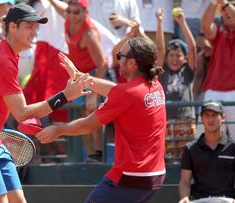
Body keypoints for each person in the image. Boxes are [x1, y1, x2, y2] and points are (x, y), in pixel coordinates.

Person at [0, 4, 92, 203]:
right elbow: (22, 113)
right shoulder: (2, 61)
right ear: (13, 27)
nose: (34, 32)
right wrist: (65, 95)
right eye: (29, 27)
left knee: (18, 200)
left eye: (36, 27)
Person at [36, 37, 166, 203]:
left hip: (131, 176)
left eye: (120, 55)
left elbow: (88, 125)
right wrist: (79, 76)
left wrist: (58, 129)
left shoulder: (126, 93)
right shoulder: (154, 84)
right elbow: (115, 90)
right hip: (155, 175)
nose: (117, 59)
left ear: (132, 63)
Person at [48, 0, 109, 162]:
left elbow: (102, 64)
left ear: (85, 12)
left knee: (92, 112)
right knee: (80, 114)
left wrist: (94, 94)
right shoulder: (69, 17)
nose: (72, 15)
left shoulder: (89, 34)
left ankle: (99, 154)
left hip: (95, 74)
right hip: (80, 75)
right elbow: (58, 6)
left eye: (76, 13)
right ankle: (90, 155)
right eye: (69, 11)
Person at [156, 7, 197, 161]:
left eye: (178, 55)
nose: (174, 59)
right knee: (166, 160)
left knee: (187, 160)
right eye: (171, 55)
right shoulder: (162, 71)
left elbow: (192, 48)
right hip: (165, 120)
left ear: (185, 58)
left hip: (185, 120)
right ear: (166, 58)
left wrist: (182, 22)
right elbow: (159, 49)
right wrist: (159, 22)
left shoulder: (188, 71)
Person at [178, 101, 235, 203]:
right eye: (207, 115)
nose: (210, 119)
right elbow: (185, 182)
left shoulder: (233, 147)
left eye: (214, 115)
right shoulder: (190, 148)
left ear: (223, 118)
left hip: (228, 200)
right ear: (201, 118)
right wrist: (184, 198)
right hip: (200, 200)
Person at [201, 0, 235, 141]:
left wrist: (226, 4)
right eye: (224, 10)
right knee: (207, 139)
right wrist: (215, 2)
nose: (227, 12)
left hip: (234, 91)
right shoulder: (219, 30)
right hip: (213, 90)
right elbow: (205, 27)